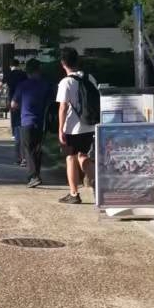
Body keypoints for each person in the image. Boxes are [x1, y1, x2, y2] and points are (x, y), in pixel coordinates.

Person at [55, 47, 99, 205]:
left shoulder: (66, 82)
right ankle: (98, 186)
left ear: (63, 63)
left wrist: (60, 129)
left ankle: (74, 193)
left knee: (70, 158)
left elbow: (63, 107)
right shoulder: (89, 78)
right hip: (89, 125)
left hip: (72, 128)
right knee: (83, 156)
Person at [11, 60, 52, 188]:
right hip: (41, 122)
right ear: (39, 71)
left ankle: (33, 176)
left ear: (27, 72)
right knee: (37, 149)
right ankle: (37, 174)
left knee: (28, 149)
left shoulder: (22, 85)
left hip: (26, 121)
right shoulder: (45, 85)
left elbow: (13, 104)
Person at [5, 59, 28, 166]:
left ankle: (18, 158)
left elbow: (1, 85)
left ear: (10, 66)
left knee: (16, 126)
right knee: (22, 127)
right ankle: (24, 158)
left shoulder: (8, 74)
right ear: (18, 65)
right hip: (23, 102)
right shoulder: (23, 74)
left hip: (13, 101)